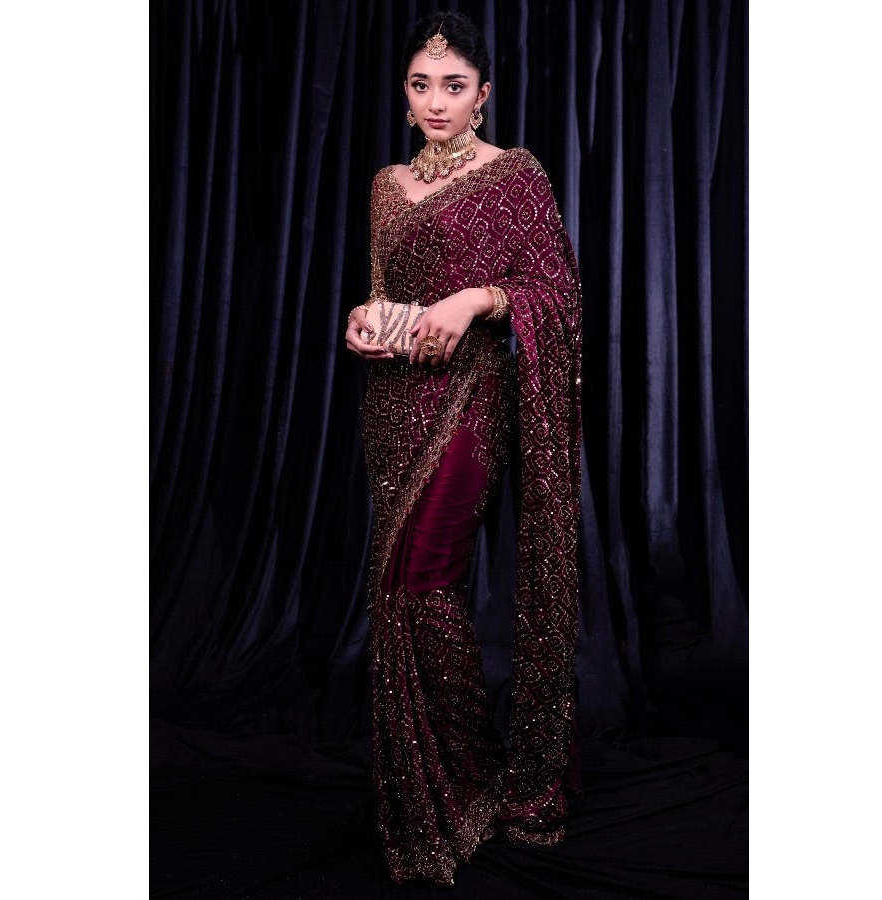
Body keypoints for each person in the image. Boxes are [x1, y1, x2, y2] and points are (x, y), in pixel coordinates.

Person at [344, 10, 584, 888]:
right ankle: (431, 784)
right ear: (405, 97)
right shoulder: (386, 186)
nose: (436, 101)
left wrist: (476, 298)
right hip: (391, 403)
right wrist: (364, 320)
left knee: (425, 578)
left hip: (470, 401)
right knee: (395, 585)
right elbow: (383, 291)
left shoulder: (515, 176)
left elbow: (556, 291)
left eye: (454, 85)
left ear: (483, 93)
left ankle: (470, 778)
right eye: (421, 85)